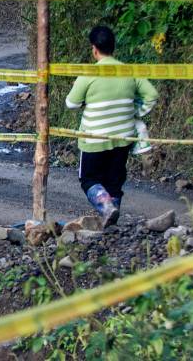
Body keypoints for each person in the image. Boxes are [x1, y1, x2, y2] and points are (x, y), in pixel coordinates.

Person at [65, 25, 158, 227]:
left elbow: (71, 103)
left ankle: (107, 208)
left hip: (94, 139)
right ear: (113, 47)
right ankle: (111, 221)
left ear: (94, 49)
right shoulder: (129, 72)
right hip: (123, 137)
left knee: (88, 179)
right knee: (114, 180)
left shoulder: (88, 74)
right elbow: (152, 95)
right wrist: (134, 112)